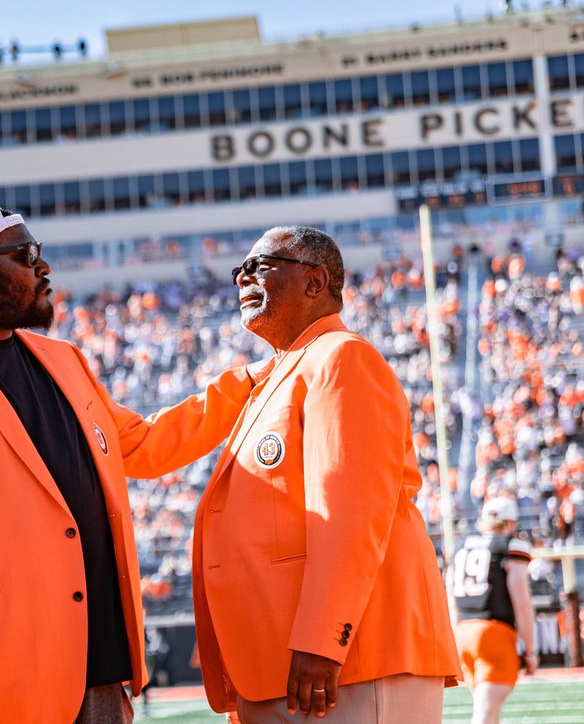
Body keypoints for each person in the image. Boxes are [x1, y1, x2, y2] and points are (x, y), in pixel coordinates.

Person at [0, 202, 260, 724]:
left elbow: (144, 445)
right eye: (25, 255)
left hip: (101, 671)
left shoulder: (65, 360)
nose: (43, 268)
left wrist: (248, 383)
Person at [186, 226, 460, 722]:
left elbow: (349, 512)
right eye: (239, 270)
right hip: (284, 664)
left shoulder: (341, 357)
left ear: (315, 283)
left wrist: (323, 638)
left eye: (260, 265)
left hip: (351, 659)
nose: (243, 278)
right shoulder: (281, 374)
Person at [448, 497, 537, 724]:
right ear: (509, 522)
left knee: (489, 712)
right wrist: (530, 650)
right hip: (494, 634)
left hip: (462, 634)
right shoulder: (510, 546)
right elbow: (521, 602)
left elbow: (450, 596)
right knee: (484, 716)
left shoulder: (461, 546)